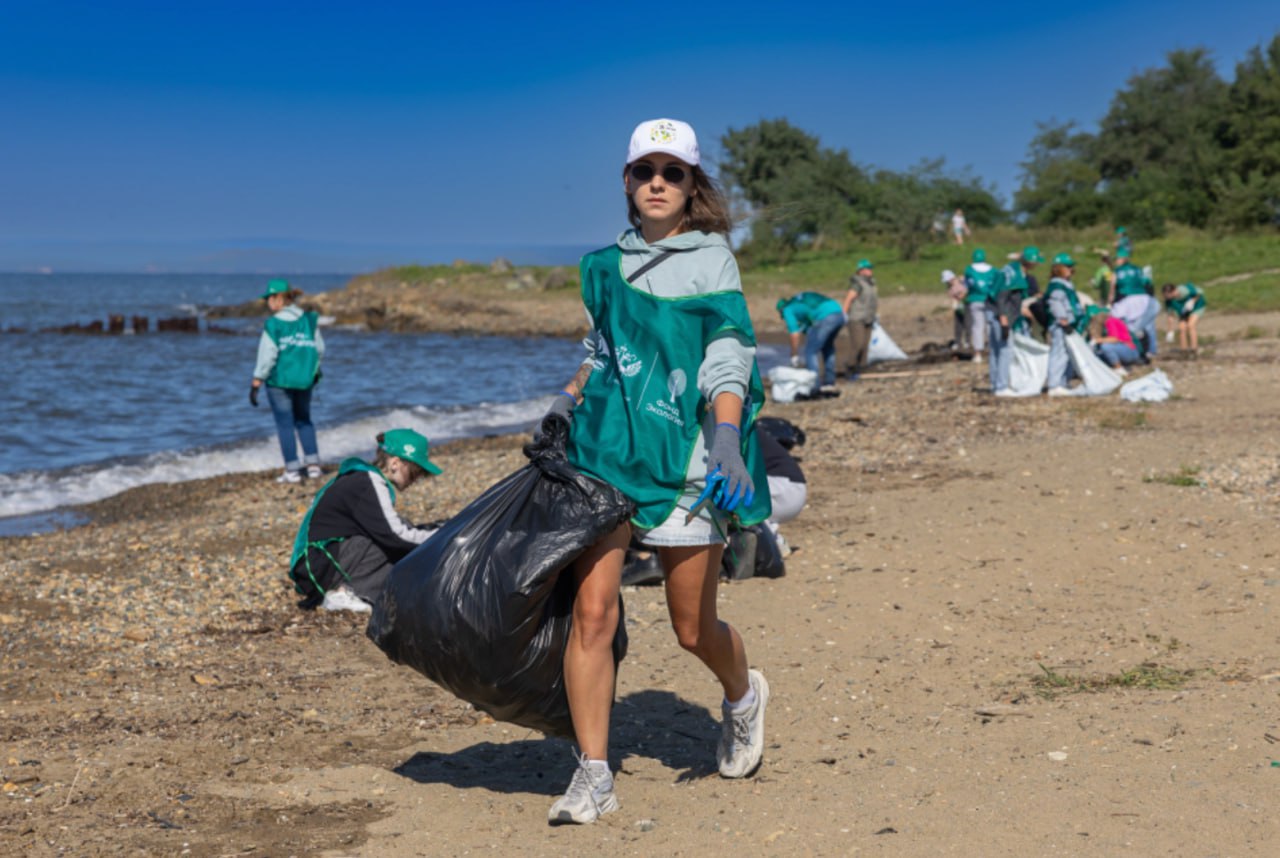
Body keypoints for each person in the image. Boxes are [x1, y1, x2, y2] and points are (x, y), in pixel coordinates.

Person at [539, 118, 772, 825]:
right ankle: (593, 774)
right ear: (628, 181)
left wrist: (727, 436)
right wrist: (568, 396)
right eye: (645, 172)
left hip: (686, 457)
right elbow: (603, 346)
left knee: (692, 629)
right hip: (607, 447)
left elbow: (728, 352)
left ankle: (742, 696)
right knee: (593, 612)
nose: (658, 184)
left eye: (673, 172)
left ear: (692, 183)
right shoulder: (604, 264)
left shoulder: (713, 261)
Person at [289, 429, 441, 612]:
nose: (416, 479)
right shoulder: (369, 482)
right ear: (395, 463)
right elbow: (395, 536)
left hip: (317, 564)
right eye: (415, 472)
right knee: (391, 540)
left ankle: (351, 590)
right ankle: (345, 593)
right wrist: (441, 536)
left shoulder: (363, 478)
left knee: (400, 529)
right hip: (317, 565)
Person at [251, 279, 325, 483]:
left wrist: (257, 379)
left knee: (285, 424)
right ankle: (313, 467)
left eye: (269, 298)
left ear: (278, 298)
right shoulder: (309, 320)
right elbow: (319, 349)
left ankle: (292, 470)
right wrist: (314, 371)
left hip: (279, 382)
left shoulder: (273, 324)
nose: (267, 303)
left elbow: (267, 355)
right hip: (305, 381)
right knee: (304, 420)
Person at [987, 246, 1044, 396]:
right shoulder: (1014, 275)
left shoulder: (1011, 269)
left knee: (995, 351)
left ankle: (995, 384)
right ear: (1030, 262)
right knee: (1005, 350)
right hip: (1000, 314)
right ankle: (1002, 386)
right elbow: (1002, 297)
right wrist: (1004, 320)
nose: (1037, 265)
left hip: (992, 312)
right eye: (1036, 262)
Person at [778, 292, 846, 393]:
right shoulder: (800, 301)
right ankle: (829, 382)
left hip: (825, 317)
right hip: (839, 313)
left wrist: (794, 354)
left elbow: (794, 334)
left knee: (810, 351)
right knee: (827, 347)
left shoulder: (787, 309)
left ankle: (814, 384)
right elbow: (809, 325)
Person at [1044, 253, 1086, 396]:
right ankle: (1054, 384)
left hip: (1069, 323)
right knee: (1059, 353)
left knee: (1067, 355)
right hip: (1061, 324)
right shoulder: (1056, 284)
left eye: (1071, 266)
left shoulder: (1066, 284)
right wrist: (1063, 320)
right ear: (1059, 268)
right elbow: (1055, 303)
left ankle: (1062, 382)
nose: (1071, 269)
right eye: (1067, 266)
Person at [842, 258, 878, 378]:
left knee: (865, 345)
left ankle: (861, 367)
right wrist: (843, 316)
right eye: (867, 269)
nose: (870, 270)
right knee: (858, 344)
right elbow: (848, 300)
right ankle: (850, 366)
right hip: (856, 318)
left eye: (870, 268)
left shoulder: (871, 283)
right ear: (861, 271)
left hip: (868, 318)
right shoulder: (857, 285)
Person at [963, 248, 998, 364]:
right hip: (989, 300)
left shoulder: (969, 270)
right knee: (990, 326)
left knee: (977, 326)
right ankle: (992, 350)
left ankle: (978, 354)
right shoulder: (993, 270)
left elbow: (967, 285)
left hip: (975, 300)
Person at [1110, 291, 1160, 361]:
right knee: (1147, 328)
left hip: (1150, 306)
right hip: (1152, 303)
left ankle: (1146, 351)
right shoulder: (1127, 300)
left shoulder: (1121, 304)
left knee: (1137, 330)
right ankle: (1151, 350)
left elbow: (1116, 315)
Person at [1162, 282, 1207, 353]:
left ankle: (1194, 349)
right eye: (1165, 296)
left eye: (1168, 295)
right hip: (1184, 311)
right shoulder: (1169, 301)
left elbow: (1199, 293)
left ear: (1173, 291)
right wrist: (1170, 331)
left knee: (1191, 325)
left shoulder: (1184, 290)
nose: (1166, 297)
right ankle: (1184, 351)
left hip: (1197, 307)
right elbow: (1170, 316)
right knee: (1182, 327)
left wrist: (1192, 301)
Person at [941, 269, 970, 351]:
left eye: (948, 280)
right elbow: (952, 297)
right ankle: (958, 342)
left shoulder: (961, 281)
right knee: (958, 326)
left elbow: (968, 289)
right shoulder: (950, 288)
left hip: (966, 305)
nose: (947, 282)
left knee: (967, 324)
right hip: (958, 307)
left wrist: (962, 295)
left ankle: (968, 342)